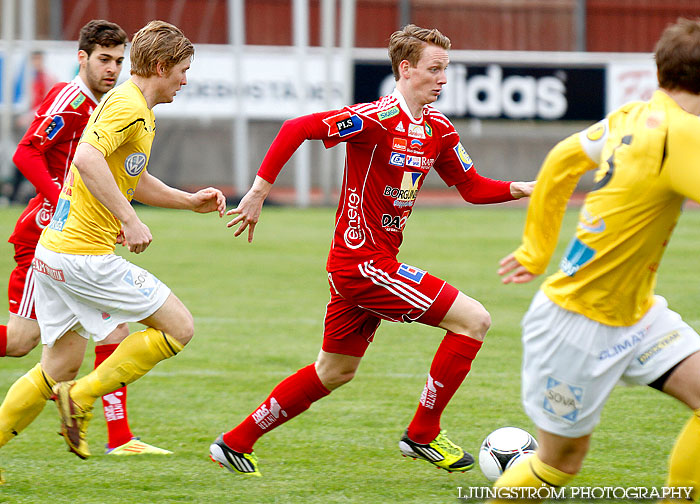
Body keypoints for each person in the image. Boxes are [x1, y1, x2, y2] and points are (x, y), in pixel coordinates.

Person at [209, 24, 534, 477]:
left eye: (446, 70)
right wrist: (259, 192)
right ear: (406, 69)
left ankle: (235, 442)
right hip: (362, 265)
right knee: (474, 320)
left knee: (334, 371)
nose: (443, 79)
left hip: (368, 267)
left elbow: (474, 188)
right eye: (434, 69)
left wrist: (530, 189)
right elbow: (296, 128)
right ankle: (421, 435)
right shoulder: (373, 119)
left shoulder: (438, 130)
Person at [0, 19, 225, 477]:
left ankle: (61, 398)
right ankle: (80, 398)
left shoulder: (136, 107)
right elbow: (85, 157)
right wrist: (129, 218)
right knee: (179, 327)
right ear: (161, 66)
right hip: (82, 256)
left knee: (57, 365)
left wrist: (188, 201)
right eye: (183, 69)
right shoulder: (129, 105)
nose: (186, 79)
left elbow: (133, 177)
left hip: (55, 253)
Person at [494, 17, 700, 503]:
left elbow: (562, 159)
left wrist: (536, 250)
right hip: (576, 326)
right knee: (558, 463)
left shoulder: (632, 115)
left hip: (637, 315)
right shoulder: (681, 135)